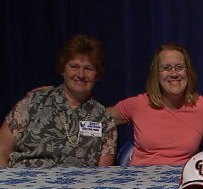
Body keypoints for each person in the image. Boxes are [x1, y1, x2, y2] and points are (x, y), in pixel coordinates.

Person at [0, 34, 117, 167]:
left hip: (77, 186)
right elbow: (1, 151)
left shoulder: (104, 120)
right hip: (25, 183)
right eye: (74, 66)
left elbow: (103, 174)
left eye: (88, 68)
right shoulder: (33, 102)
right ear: (63, 69)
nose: (81, 74)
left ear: (98, 75)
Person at [107, 43, 203, 165]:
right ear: (156, 74)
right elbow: (96, 118)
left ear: (188, 72)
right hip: (140, 180)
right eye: (166, 68)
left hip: (182, 180)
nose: (174, 73)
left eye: (179, 67)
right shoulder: (137, 104)